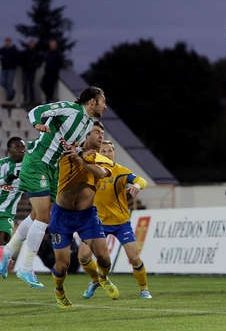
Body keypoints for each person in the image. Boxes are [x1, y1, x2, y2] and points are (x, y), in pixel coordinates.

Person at [0, 86, 106, 288]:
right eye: (103, 101)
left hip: (52, 167)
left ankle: (7, 253)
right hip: (37, 162)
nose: (105, 106)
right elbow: (35, 111)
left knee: (35, 215)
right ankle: (26, 267)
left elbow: (70, 144)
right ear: (92, 101)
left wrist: (76, 151)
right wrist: (38, 124)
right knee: (44, 217)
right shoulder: (70, 109)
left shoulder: (87, 124)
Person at [50, 120, 119, 308]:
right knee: (62, 265)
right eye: (96, 132)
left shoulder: (103, 159)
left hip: (87, 216)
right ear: (86, 135)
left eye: (102, 133)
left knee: (104, 257)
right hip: (61, 216)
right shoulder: (66, 152)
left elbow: (103, 174)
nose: (100, 135)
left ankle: (102, 278)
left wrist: (81, 159)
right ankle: (59, 291)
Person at [78, 139, 151, 299]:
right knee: (83, 256)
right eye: (103, 151)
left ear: (114, 153)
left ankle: (144, 288)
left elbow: (141, 180)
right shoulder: (90, 171)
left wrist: (137, 186)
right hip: (97, 223)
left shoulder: (120, 171)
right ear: (97, 154)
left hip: (120, 223)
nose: (106, 153)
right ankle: (96, 280)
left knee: (134, 258)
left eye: (109, 151)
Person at [0, 137, 26, 270]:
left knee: (3, 241)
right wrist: (6, 179)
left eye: (22, 148)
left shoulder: (28, 166)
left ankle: (2, 266)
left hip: (7, 212)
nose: (21, 150)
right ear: (9, 149)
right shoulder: (2, 164)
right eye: (17, 148)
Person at [19, 39, 43, 107]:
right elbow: (20, 60)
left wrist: (35, 66)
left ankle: (32, 99)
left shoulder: (36, 53)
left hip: (32, 71)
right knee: (25, 85)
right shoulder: (25, 52)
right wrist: (24, 65)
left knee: (31, 85)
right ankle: (25, 98)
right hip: (25, 71)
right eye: (31, 43)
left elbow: (40, 61)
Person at [0, 37, 21, 106]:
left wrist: (13, 63)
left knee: (9, 82)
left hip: (11, 68)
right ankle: (11, 91)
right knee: (2, 81)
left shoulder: (14, 50)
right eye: (6, 42)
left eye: (8, 42)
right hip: (4, 68)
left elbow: (18, 58)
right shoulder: (3, 50)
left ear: (10, 42)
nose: (7, 43)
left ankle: (9, 97)